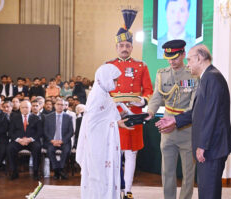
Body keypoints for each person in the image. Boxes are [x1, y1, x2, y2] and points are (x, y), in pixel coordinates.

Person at [156, 44, 231, 199]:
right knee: (207, 190)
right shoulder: (208, 77)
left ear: (199, 58)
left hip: (212, 146)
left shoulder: (211, 78)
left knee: (208, 192)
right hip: (213, 145)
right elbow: (198, 112)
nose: (188, 64)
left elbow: (211, 115)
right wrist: (174, 120)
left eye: (190, 60)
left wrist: (203, 145)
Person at [107, 8, 154, 199]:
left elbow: (149, 90)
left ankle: (128, 190)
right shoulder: (108, 66)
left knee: (131, 154)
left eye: (128, 45)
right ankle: (115, 188)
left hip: (133, 115)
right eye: (121, 45)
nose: (124, 48)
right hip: (114, 115)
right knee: (114, 154)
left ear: (132, 47)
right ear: (117, 47)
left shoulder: (141, 66)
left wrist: (143, 100)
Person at [146, 40, 197, 199]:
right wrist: (151, 111)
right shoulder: (162, 73)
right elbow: (157, 96)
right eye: (169, 58)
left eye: (175, 57)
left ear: (183, 54)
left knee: (188, 173)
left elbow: (193, 105)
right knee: (167, 171)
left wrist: (178, 120)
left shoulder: (192, 75)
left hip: (186, 128)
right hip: (166, 130)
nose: (171, 61)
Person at [76, 64, 134, 199]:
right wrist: (115, 124)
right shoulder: (97, 96)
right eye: (114, 80)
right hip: (98, 148)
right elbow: (93, 125)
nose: (116, 83)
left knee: (107, 178)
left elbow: (107, 118)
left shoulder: (105, 94)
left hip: (106, 144)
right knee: (99, 179)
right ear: (106, 78)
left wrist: (118, 122)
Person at [7, 100, 42, 180]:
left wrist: (30, 139)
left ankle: (36, 172)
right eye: (23, 107)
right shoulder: (14, 118)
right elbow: (11, 132)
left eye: (27, 107)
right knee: (10, 148)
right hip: (18, 141)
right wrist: (19, 140)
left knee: (37, 147)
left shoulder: (36, 118)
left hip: (31, 141)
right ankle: (14, 172)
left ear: (30, 108)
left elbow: (39, 132)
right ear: (20, 108)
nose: (25, 109)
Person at [44, 98, 73, 180]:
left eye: (62, 105)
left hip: (64, 141)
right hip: (52, 141)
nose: (60, 106)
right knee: (50, 151)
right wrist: (52, 140)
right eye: (58, 104)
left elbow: (71, 132)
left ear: (64, 106)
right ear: (55, 105)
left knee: (66, 151)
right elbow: (45, 131)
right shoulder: (48, 117)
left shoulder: (68, 117)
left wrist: (62, 141)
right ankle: (59, 170)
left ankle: (57, 171)